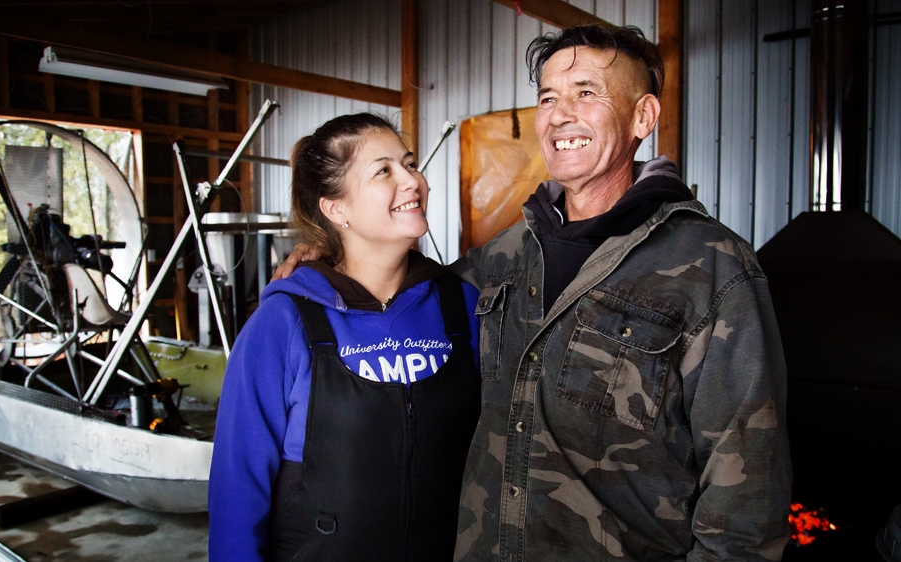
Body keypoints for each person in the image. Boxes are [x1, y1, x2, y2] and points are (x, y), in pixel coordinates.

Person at [275, 25, 792, 562]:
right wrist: (328, 256)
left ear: (643, 117)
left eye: (586, 92)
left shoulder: (711, 266)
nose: (560, 114)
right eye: (548, 97)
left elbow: (746, 489)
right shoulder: (503, 255)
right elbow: (401, 296)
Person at [209, 113, 482, 562]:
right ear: (335, 209)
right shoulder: (284, 321)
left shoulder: (462, 305)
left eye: (409, 164)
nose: (412, 181)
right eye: (384, 171)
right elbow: (237, 488)